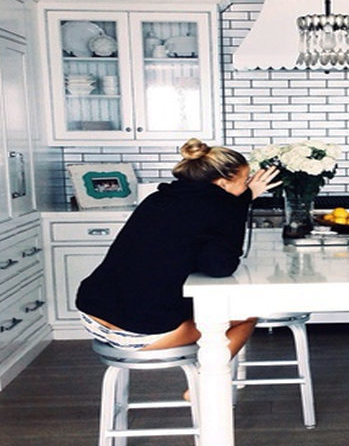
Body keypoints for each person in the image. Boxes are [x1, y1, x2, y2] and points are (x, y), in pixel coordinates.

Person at [77, 137, 281, 358]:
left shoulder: (158, 198)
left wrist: (240, 200)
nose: (247, 185)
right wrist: (240, 204)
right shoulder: (220, 209)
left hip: (92, 312)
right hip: (137, 332)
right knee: (248, 315)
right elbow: (220, 268)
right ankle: (208, 378)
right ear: (223, 183)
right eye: (245, 180)